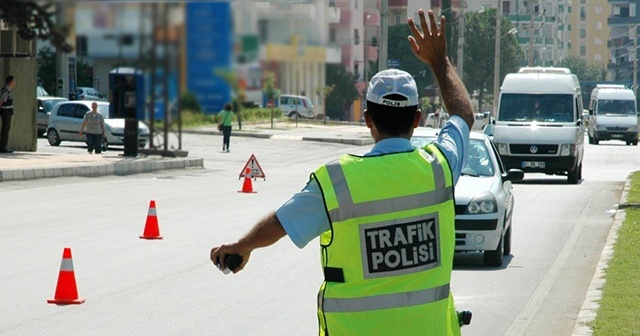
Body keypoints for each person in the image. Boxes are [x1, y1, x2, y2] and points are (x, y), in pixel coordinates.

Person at [210, 9, 474, 336]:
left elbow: (283, 221)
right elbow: (463, 114)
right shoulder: (441, 167)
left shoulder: (337, 182)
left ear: (367, 119)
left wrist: (242, 246)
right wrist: (439, 62)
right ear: (418, 119)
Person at [0, 75, 16, 153]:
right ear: (10, 82)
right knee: (5, 129)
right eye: (14, 81)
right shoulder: (6, 90)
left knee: (6, 129)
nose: (14, 83)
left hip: (9, 112)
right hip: (6, 112)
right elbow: (2, 101)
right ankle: (3, 146)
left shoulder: (8, 90)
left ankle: (4, 145)